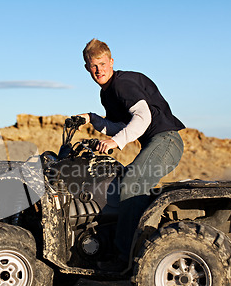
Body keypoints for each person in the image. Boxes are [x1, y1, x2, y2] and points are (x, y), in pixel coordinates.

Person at [78, 38, 185, 271]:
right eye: (93, 66)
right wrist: (93, 119)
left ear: (111, 61)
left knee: (132, 184)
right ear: (87, 67)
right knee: (116, 185)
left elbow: (143, 118)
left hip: (165, 140)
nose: (99, 70)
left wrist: (115, 142)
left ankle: (125, 258)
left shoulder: (122, 84)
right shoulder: (107, 93)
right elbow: (121, 125)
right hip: (156, 142)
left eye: (103, 64)